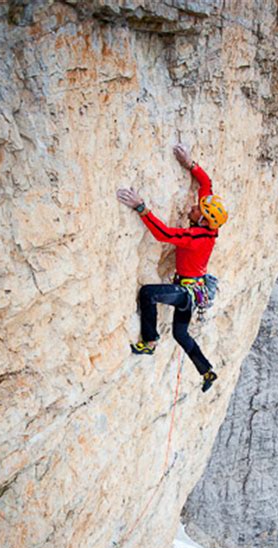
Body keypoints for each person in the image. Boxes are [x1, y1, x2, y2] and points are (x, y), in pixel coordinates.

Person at [116, 143, 228, 393]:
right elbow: (206, 185)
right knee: (180, 334)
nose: (194, 206)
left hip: (185, 293)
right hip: (191, 292)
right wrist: (190, 164)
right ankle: (207, 370)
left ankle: (150, 341)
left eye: (198, 209)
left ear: (202, 219)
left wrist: (141, 207)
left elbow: (163, 233)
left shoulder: (195, 237)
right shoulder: (209, 228)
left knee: (148, 293)